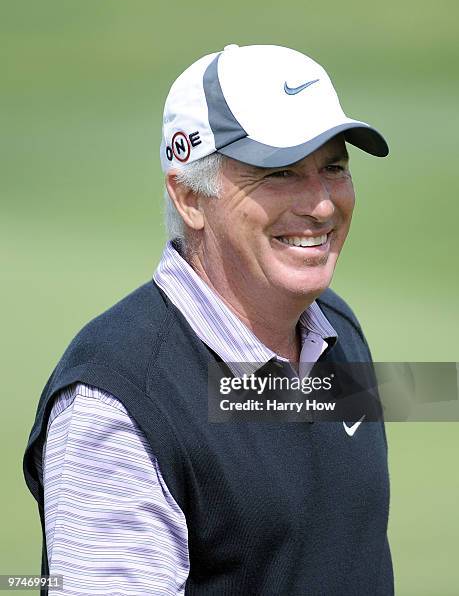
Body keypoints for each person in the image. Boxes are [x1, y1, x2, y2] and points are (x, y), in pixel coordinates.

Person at [23, 44, 394, 595]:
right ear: (190, 196)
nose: (321, 204)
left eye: (333, 168)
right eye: (280, 173)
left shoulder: (336, 328)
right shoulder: (115, 403)